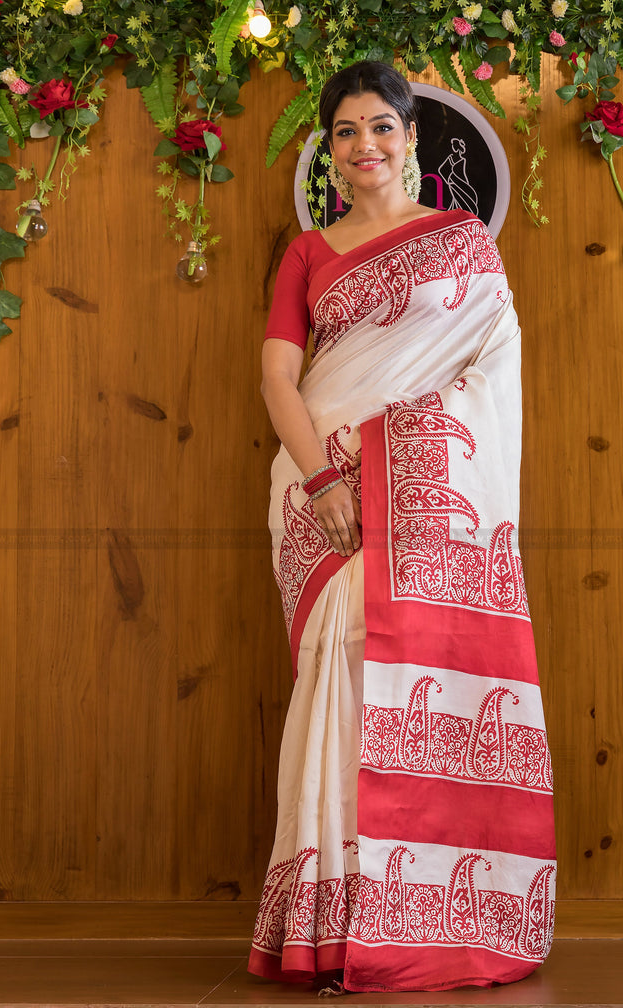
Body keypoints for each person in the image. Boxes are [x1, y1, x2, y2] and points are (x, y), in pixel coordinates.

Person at [248, 61, 556, 994]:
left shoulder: (462, 241)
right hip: (324, 492)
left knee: (418, 679)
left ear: (412, 139)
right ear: (329, 154)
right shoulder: (308, 254)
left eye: (382, 127)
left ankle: (436, 919)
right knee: (343, 661)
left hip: (431, 500)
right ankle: (335, 920)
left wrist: (399, 458)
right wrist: (325, 479)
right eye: (346, 132)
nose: (365, 146)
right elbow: (277, 378)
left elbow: (490, 375)